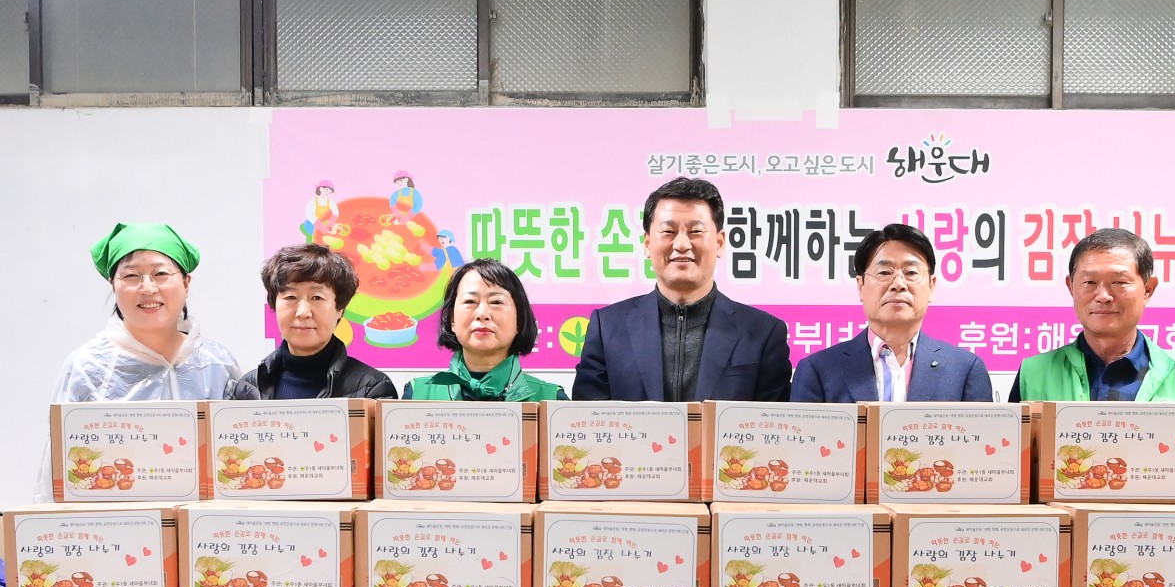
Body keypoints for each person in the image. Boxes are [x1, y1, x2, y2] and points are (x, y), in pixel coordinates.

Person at [571, 177, 791, 402]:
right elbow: (588, 418)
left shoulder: (763, 333)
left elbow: (772, 420)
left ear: (719, 242)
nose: (682, 244)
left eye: (696, 231)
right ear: (647, 244)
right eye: (668, 231)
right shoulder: (607, 328)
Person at [791, 222, 993, 402]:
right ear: (861, 286)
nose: (898, 284)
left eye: (911, 273)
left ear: (931, 286)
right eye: (884, 273)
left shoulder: (965, 369)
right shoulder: (818, 371)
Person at [1011, 227, 1175, 402]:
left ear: (1148, 289)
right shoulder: (1033, 374)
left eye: (1119, 282)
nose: (1103, 296)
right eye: (1089, 282)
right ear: (1071, 287)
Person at [52, 222, 239, 402]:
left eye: (161, 274)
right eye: (131, 275)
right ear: (113, 285)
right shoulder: (88, 367)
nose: (148, 289)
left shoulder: (217, 363)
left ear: (185, 283)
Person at [228, 244, 397, 400]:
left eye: (317, 297)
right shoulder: (249, 388)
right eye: (290, 297)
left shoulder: (371, 389)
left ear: (339, 308)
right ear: (274, 304)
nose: (303, 312)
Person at [403, 258, 567, 401]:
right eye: (470, 301)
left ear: (519, 320)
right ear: (452, 319)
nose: (482, 314)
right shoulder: (417, 395)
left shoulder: (551, 400)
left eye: (496, 302)